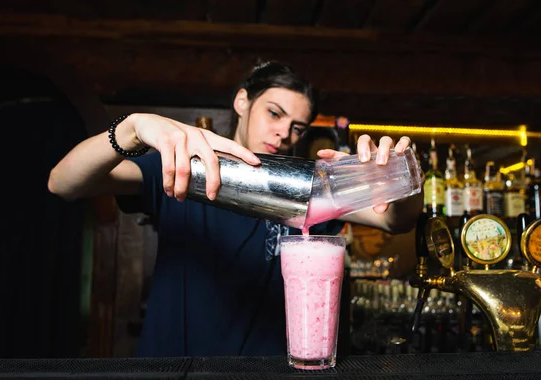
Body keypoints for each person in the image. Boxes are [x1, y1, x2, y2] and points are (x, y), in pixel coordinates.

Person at [48, 61, 423, 357]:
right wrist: (130, 129)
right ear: (242, 102)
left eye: (297, 127)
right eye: (274, 114)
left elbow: (397, 219)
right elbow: (63, 183)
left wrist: (402, 173)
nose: (284, 133)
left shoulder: (308, 189)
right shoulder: (185, 167)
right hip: (180, 369)